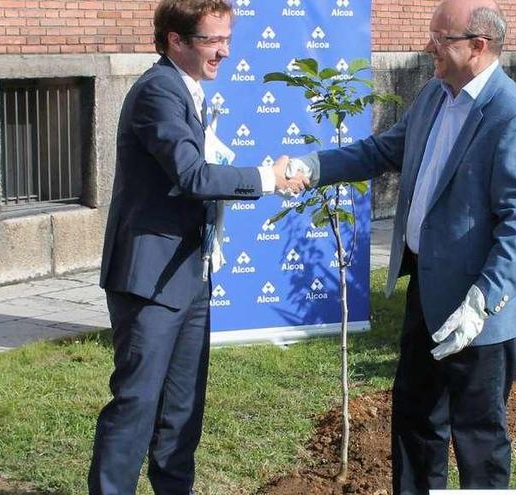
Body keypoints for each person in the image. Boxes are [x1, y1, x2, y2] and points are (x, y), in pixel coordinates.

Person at [287, 0, 516, 492]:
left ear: (478, 46)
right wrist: (313, 168)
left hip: (479, 311)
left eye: (440, 39)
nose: (427, 46)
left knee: (479, 437)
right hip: (427, 292)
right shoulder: (434, 94)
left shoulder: (514, 116)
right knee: (415, 418)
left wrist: (483, 300)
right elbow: (383, 149)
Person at [89, 1, 307, 493]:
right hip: (150, 280)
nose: (225, 52)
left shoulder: (190, 90)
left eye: (228, 39)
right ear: (175, 40)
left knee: (182, 410)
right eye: (213, 40)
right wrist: (265, 179)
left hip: (189, 273)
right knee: (137, 405)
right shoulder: (157, 92)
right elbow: (191, 175)